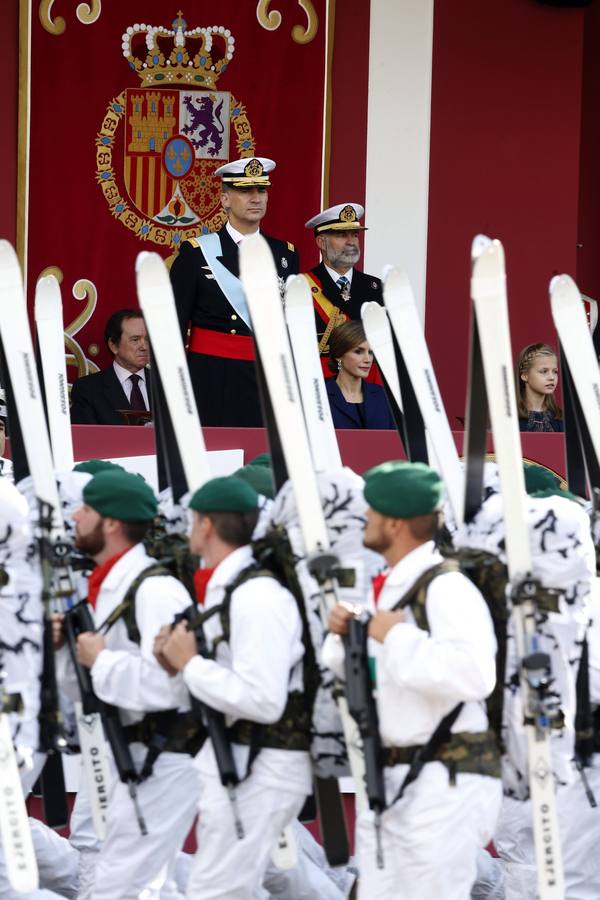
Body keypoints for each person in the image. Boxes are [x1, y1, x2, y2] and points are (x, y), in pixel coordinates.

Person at [322, 461, 502, 900]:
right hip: (394, 777)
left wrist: (394, 634)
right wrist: (345, 638)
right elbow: (365, 673)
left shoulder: (447, 587)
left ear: (395, 523)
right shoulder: (390, 586)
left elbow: (476, 674)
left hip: (443, 779)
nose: (364, 519)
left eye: (371, 512)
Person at [158, 475, 312, 899]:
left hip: (261, 760)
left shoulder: (256, 595)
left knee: (218, 891)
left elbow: (262, 699)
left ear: (205, 525)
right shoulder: (232, 590)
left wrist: (189, 664)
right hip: (241, 759)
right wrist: (178, 660)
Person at [53, 469, 200, 900]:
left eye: (87, 509)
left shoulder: (155, 591)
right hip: (131, 753)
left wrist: (101, 660)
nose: (76, 517)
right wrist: (66, 652)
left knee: (119, 886)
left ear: (111, 523)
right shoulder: (108, 588)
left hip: (165, 754)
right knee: (144, 884)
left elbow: (173, 687)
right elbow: (89, 691)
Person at [169, 157, 299, 427]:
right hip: (211, 377)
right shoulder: (196, 254)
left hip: (267, 378)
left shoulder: (285, 254)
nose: (255, 198)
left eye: (261, 190)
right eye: (244, 190)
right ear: (225, 200)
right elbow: (173, 329)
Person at [302, 203, 382, 374]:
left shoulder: (375, 288)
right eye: (341, 235)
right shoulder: (301, 287)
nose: (351, 242)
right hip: (321, 384)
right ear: (321, 242)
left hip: (366, 387)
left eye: (354, 235)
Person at [70, 310, 152, 425]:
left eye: (147, 339)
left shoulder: (167, 385)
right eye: (135, 340)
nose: (144, 347)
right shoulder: (88, 390)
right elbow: (85, 439)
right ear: (113, 345)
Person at [325, 321, 395, 429]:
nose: (368, 359)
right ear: (339, 355)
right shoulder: (319, 394)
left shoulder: (383, 396)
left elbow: (395, 441)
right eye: (358, 351)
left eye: (370, 352)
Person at [515, 342, 564, 432]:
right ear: (525, 375)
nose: (552, 377)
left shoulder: (562, 420)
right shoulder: (511, 420)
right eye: (544, 371)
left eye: (555, 372)